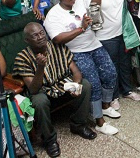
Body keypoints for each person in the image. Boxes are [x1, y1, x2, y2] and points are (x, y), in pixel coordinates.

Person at [43, 0, 119, 135]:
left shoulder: (79, 1)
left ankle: (105, 107)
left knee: (110, 73)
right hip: (75, 52)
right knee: (94, 84)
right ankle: (99, 121)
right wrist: (81, 28)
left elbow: (94, 6)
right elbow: (57, 39)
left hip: (94, 45)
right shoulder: (53, 15)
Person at [14, 22, 97, 158]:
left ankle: (78, 124)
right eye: (35, 35)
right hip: (43, 90)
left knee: (85, 85)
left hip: (62, 83)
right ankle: (49, 140)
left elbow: (75, 71)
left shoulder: (58, 47)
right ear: (27, 40)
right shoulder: (22, 58)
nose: (40, 37)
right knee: (39, 101)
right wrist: (40, 67)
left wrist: (74, 85)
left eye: (42, 33)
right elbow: (34, 89)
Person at [83, 0, 140, 111]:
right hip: (105, 35)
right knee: (111, 66)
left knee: (125, 62)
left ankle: (127, 90)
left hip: (123, 31)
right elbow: (94, 7)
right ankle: (114, 96)